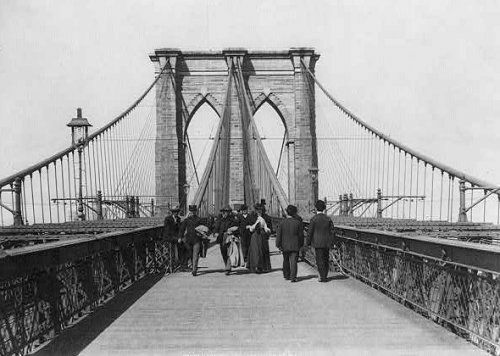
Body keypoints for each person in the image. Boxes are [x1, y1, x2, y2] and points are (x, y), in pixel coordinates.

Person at [306, 200, 334, 282]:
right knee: (326, 259)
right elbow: (332, 231)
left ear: (316, 208)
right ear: (324, 208)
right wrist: (331, 242)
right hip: (327, 242)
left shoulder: (313, 219)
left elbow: (310, 232)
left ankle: (322, 276)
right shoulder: (328, 219)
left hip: (317, 243)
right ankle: (324, 275)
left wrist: (307, 243)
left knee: (319, 260)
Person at [276, 205, 304, 282]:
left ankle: (286, 275)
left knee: (285, 260)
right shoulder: (298, 223)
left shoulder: (282, 223)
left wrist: (278, 244)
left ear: (287, 212)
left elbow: (279, 235)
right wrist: (301, 244)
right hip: (295, 245)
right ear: (294, 213)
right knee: (294, 261)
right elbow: (301, 235)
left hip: (284, 245)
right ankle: (293, 277)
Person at [178, 205, 205, 276]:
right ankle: (193, 266)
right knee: (190, 254)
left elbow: (204, 228)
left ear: (196, 211)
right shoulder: (186, 220)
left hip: (197, 239)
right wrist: (180, 237)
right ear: (190, 211)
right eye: (191, 211)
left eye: (194, 211)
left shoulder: (199, 220)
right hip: (188, 240)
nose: (192, 212)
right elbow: (182, 229)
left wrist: (203, 234)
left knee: (195, 255)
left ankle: (194, 270)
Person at [246, 203, 272, 273]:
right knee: (255, 251)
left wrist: (267, 231)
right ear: (255, 210)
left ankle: (263, 267)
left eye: (260, 209)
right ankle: (256, 267)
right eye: (257, 210)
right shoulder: (251, 217)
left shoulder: (267, 217)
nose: (259, 211)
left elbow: (270, 228)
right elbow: (247, 226)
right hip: (255, 235)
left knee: (263, 251)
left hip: (263, 235)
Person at [214, 206, 238, 274]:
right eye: (224, 212)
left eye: (226, 212)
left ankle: (228, 267)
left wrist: (232, 232)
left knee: (229, 252)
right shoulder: (220, 220)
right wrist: (215, 232)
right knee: (223, 252)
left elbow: (237, 228)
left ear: (229, 213)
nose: (225, 213)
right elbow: (216, 227)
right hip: (222, 238)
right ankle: (227, 265)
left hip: (230, 238)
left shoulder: (233, 220)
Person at [163, 205, 187, 270]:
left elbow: (180, 230)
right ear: (172, 212)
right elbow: (168, 231)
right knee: (173, 251)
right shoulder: (167, 219)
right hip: (169, 237)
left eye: (177, 212)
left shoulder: (178, 219)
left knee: (183, 246)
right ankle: (174, 265)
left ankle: (182, 265)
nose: (176, 213)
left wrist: (180, 237)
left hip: (176, 238)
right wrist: (177, 238)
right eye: (175, 212)